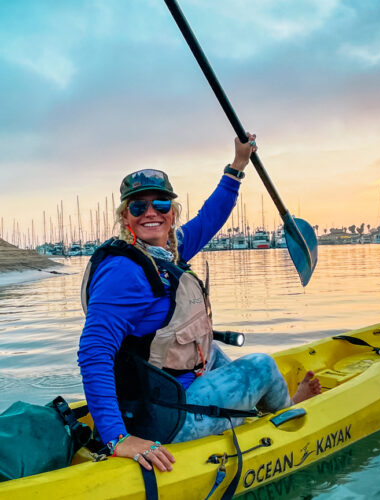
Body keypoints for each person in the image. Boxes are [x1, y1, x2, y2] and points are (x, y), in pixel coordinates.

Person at [78, 134, 321, 472]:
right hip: (168, 420)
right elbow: (94, 352)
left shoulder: (166, 252)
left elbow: (211, 217)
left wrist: (237, 165)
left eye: (161, 205)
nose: (151, 213)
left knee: (213, 352)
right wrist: (117, 438)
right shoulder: (123, 272)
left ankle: (261, 407)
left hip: (160, 389)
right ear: (126, 218)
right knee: (263, 366)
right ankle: (285, 411)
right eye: (138, 207)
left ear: (172, 213)